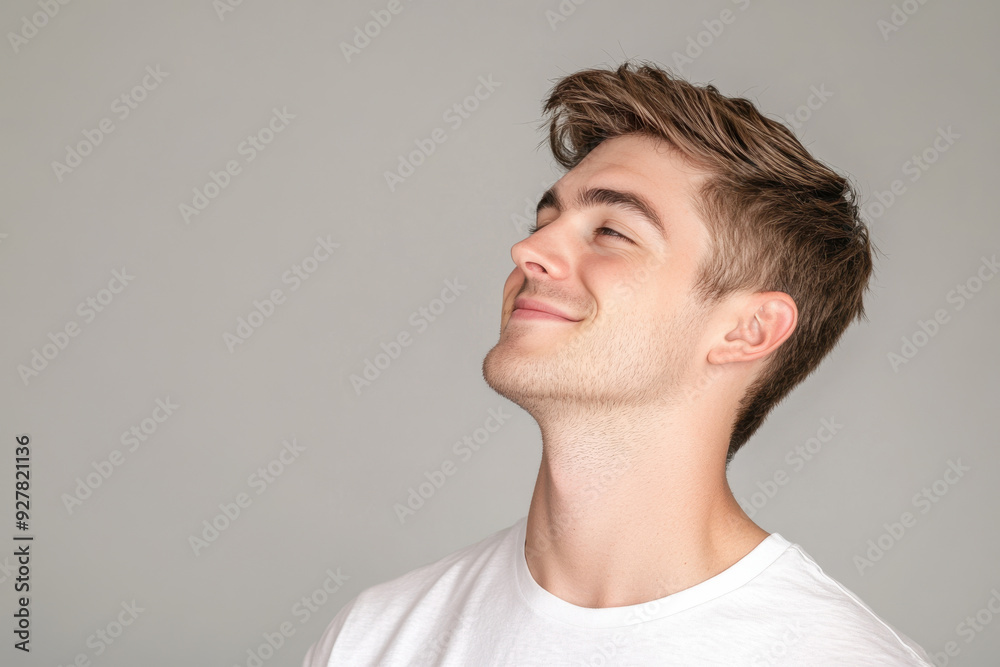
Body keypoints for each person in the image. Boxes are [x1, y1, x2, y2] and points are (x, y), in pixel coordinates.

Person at [303, 60, 934, 666]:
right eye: (545, 219)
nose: (528, 249)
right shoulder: (374, 637)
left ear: (748, 330)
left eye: (612, 232)